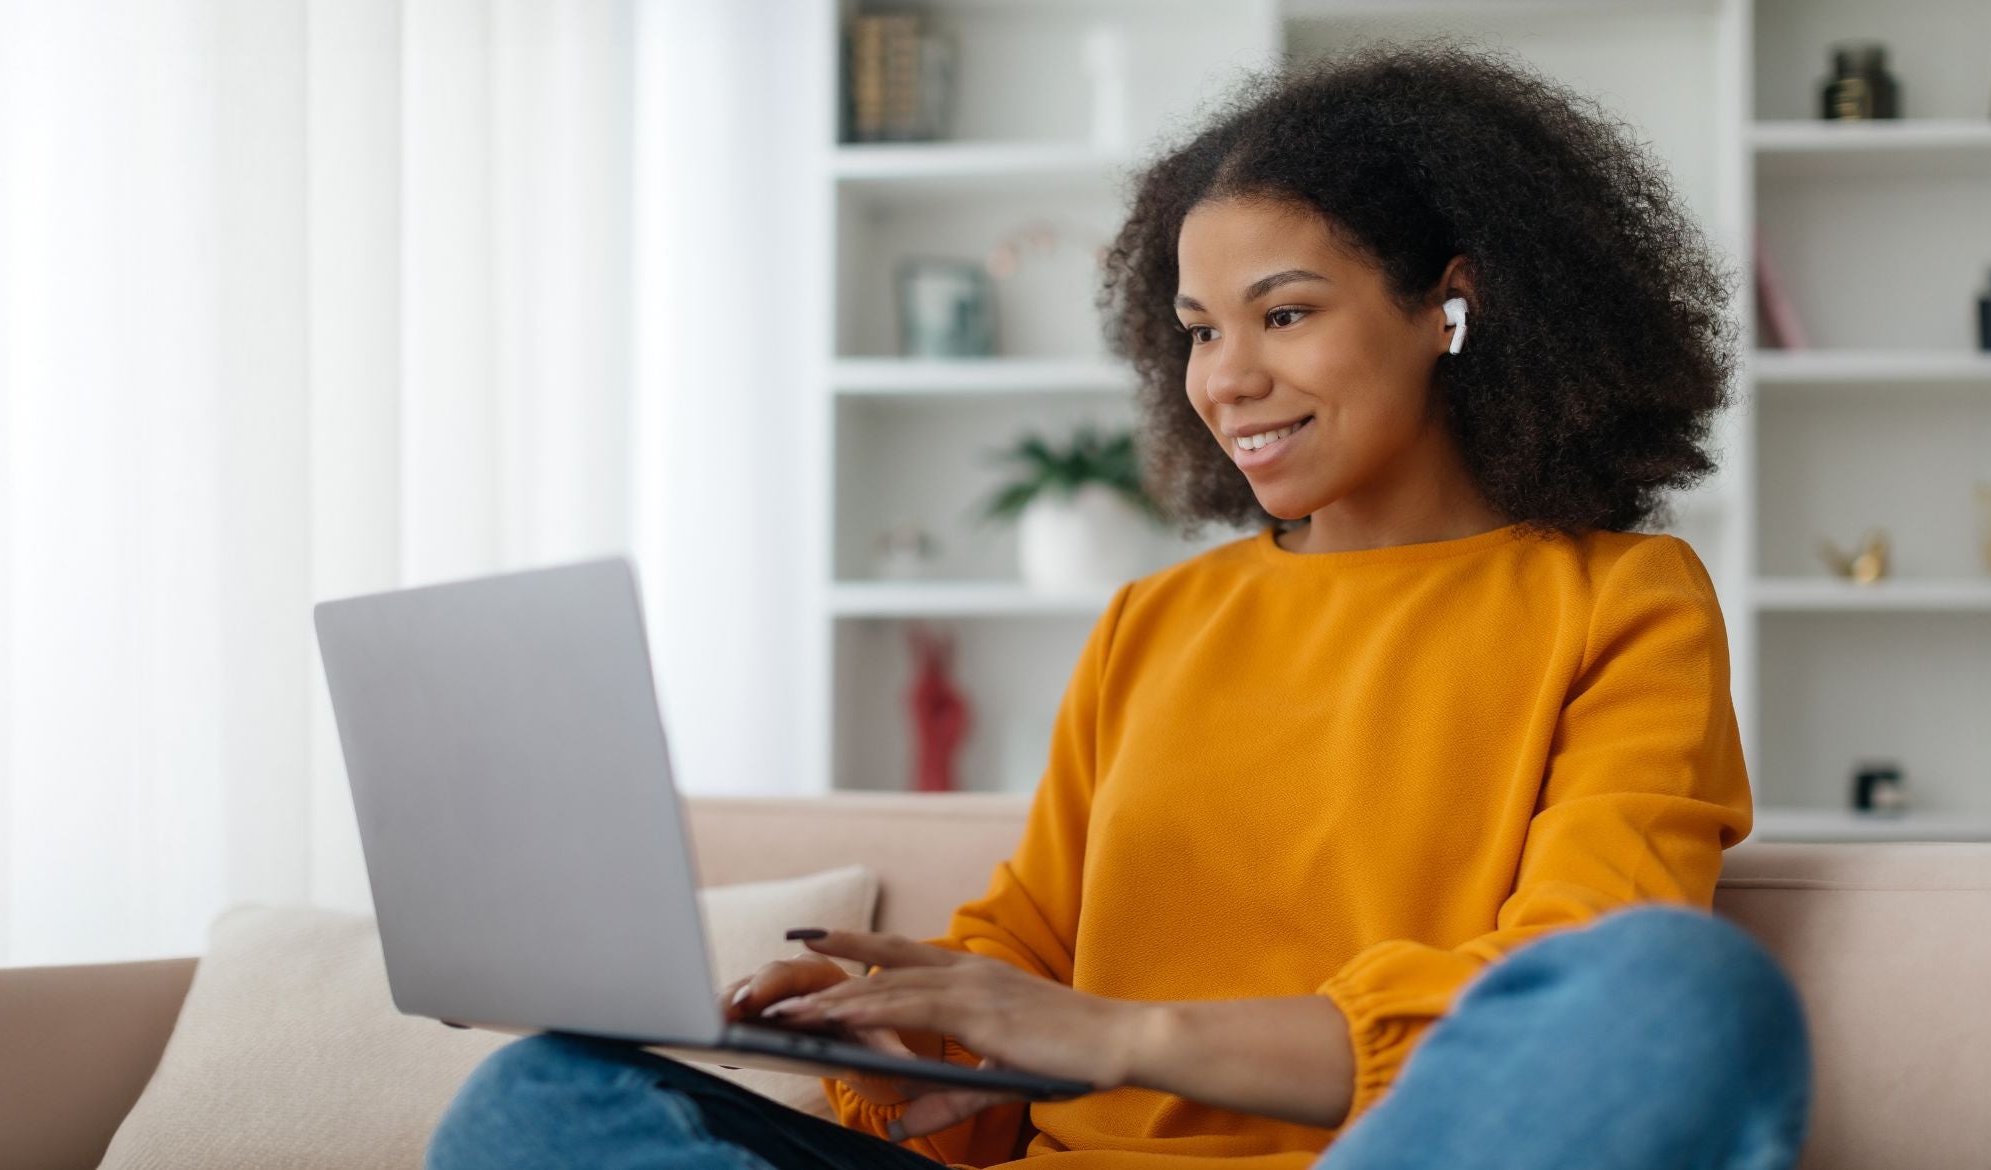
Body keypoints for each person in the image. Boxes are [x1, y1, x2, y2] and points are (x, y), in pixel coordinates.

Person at [426, 42, 1811, 1170]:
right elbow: (1015, 985)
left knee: (1682, 998)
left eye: (1284, 313)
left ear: (1450, 306)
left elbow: (1555, 999)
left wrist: (1116, 1034)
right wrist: (909, 1040)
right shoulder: (1158, 619)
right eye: (1200, 328)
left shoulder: (1623, 600)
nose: (1227, 379)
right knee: (539, 1102)